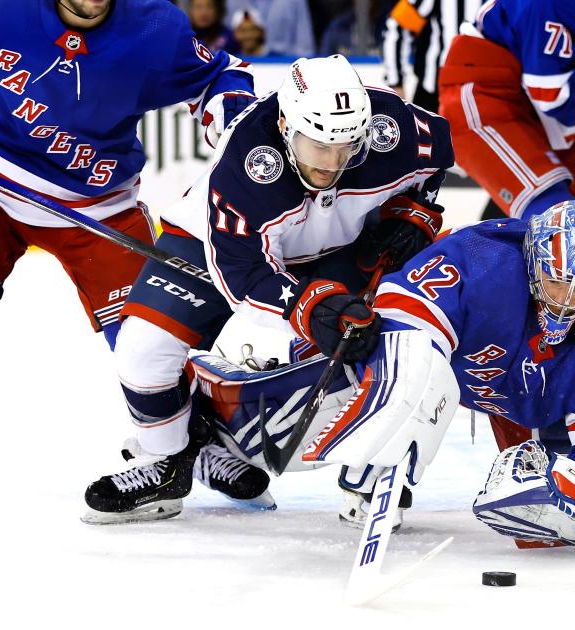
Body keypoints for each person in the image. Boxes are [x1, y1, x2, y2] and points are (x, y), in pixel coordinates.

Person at [0, 0, 256, 523]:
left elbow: (221, 76)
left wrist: (230, 119)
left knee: (151, 340)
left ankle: (190, 443)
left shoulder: (155, 25)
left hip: (98, 207)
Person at [187, 201, 575, 543]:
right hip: (459, 373)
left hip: (542, 407)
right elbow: (403, 309)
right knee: (324, 403)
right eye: (555, 280)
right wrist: (399, 407)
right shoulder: (482, 257)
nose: (567, 298)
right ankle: (221, 425)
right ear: (533, 257)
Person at [81, 53, 455, 523]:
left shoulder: (390, 130)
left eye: (346, 147)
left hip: (338, 246)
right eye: (318, 146)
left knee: (379, 341)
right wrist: (311, 308)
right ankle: (166, 461)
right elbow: (243, 273)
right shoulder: (246, 165)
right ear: (284, 124)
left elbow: (438, 156)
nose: (332, 162)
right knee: (142, 349)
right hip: (220, 245)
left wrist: (416, 212)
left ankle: (372, 469)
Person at [438, 1, 575, 221]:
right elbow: (552, 99)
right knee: (565, 222)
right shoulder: (545, 4)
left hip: (544, 115)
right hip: (488, 98)